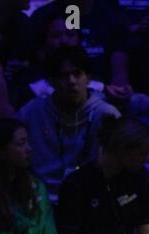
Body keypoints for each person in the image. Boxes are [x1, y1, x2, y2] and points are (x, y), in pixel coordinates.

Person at [18, 46, 121, 202]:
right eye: (64, 76)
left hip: (90, 200)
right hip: (40, 198)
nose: (72, 81)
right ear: (52, 81)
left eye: (77, 74)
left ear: (88, 78)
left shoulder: (107, 115)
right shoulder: (32, 111)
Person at [58, 116, 149, 234]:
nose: (146, 159)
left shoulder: (139, 175)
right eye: (142, 154)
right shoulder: (76, 184)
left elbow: (144, 221)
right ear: (122, 150)